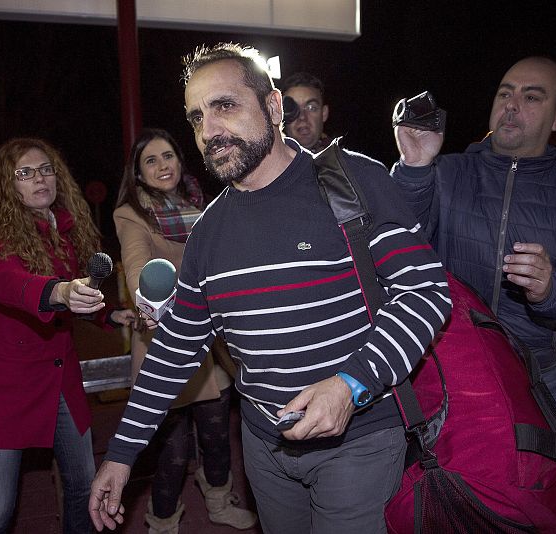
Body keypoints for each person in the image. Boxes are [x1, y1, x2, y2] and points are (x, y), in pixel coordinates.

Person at [90, 43, 451, 534]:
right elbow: (175, 349)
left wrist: (352, 385)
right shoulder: (208, 233)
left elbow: (425, 292)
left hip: (360, 440)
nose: (209, 131)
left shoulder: (350, 180)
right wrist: (120, 454)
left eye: (225, 105)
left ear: (274, 106)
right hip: (264, 446)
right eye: (197, 117)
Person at [390, 56, 556, 409]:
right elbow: (396, 239)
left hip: (533, 379)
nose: (512, 105)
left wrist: (552, 288)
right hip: (444, 369)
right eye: (505, 94)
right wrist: (414, 167)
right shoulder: (446, 171)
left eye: (531, 97)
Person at [0, 137, 128, 534]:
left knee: (84, 487)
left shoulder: (65, 230)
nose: (39, 178)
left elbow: (76, 294)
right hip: (5, 385)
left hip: (59, 377)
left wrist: (109, 314)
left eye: (45, 169)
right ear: (8, 185)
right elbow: (5, 282)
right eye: (25, 172)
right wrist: (58, 291)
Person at [113, 128, 257, 532]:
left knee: (217, 437)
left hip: (209, 344)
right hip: (164, 340)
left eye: (168, 156)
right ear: (138, 173)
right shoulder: (132, 214)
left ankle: (219, 502)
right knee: (172, 451)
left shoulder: (203, 205)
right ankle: (162, 521)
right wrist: (149, 298)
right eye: (151, 160)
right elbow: (137, 264)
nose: (163, 166)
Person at [282, 72, 331, 152]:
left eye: (311, 108)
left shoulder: (343, 158)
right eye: (292, 108)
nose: (302, 117)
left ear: (324, 113)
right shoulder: (266, 159)